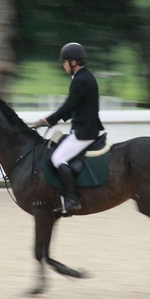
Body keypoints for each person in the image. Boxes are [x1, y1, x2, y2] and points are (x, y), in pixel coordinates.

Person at [31, 42, 104, 213]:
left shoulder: (80, 80)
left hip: (85, 132)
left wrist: (48, 120)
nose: (63, 65)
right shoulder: (84, 77)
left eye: (64, 62)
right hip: (84, 129)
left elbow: (68, 106)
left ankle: (72, 199)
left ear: (73, 62)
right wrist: (51, 120)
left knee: (57, 158)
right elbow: (75, 108)